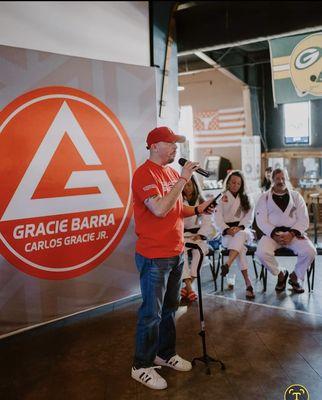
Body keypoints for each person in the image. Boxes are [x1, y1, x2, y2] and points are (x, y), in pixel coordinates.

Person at [131, 126, 215, 390]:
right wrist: (183, 179)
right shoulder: (144, 174)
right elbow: (158, 209)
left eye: (176, 143)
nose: (176, 148)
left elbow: (176, 210)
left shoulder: (169, 172)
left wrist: (199, 208)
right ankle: (141, 365)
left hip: (176, 252)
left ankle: (164, 354)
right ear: (154, 146)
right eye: (171, 143)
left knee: (169, 311)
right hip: (154, 256)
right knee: (151, 314)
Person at [255, 168, 316, 293]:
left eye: (283, 178)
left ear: (286, 179)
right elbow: (260, 220)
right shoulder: (264, 198)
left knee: (310, 251)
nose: (280, 181)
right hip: (272, 235)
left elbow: (304, 219)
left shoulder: (296, 196)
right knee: (261, 253)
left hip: (292, 234)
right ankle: (281, 274)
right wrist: (273, 234)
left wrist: (291, 233)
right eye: (277, 178)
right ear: (271, 180)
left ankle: (294, 277)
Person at [213, 170, 255, 299]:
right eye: (233, 182)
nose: (235, 185)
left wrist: (239, 227)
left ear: (241, 184)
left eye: (238, 183)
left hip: (242, 229)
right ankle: (248, 283)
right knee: (240, 249)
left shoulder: (246, 198)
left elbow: (249, 217)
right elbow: (216, 218)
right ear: (228, 183)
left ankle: (228, 264)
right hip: (227, 233)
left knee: (241, 234)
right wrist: (226, 229)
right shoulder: (221, 197)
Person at [181, 175, 213, 302]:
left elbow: (207, 223)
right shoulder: (178, 200)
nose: (187, 188)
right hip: (182, 235)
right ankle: (190, 288)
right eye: (184, 185)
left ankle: (186, 286)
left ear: (195, 185)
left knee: (199, 251)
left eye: (189, 185)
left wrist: (200, 235)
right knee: (180, 252)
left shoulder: (201, 201)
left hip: (197, 235)